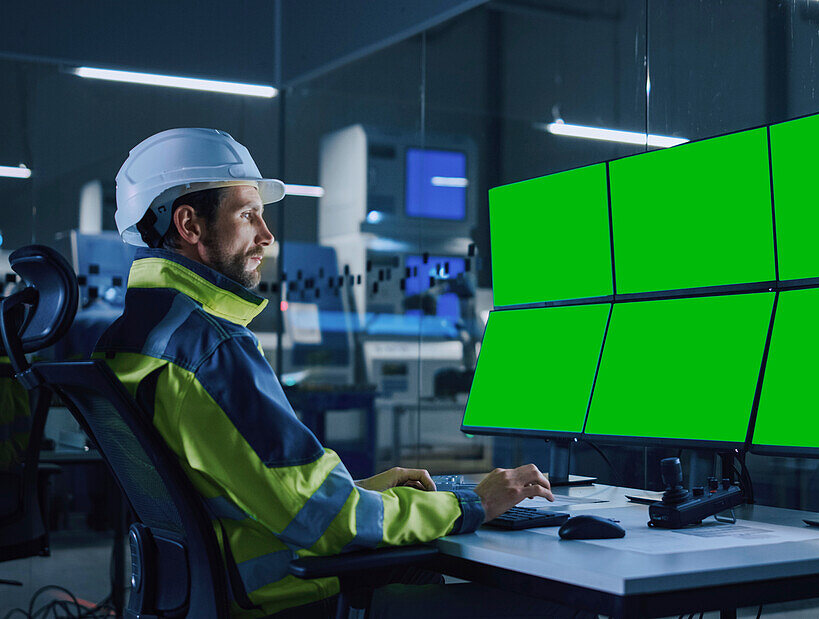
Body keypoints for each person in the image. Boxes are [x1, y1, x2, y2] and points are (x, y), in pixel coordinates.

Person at [99, 128, 560, 617]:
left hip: (201, 592)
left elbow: (236, 489)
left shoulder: (128, 341)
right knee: (540, 602)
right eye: (246, 214)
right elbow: (322, 520)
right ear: (189, 224)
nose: (267, 235)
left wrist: (365, 490)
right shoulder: (210, 349)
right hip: (289, 597)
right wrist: (472, 503)